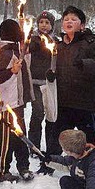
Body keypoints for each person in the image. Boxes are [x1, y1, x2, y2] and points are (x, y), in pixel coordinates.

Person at [45, 6, 95, 155]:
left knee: (89, 140)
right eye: (66, 19)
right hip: (63, 102)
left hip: (85, 103)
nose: (69, 22)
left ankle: (90, 166)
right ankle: (49, 164)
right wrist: (50, 75)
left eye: (73, 19)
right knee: (56, 136)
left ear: (82, 25)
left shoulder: (91, 43)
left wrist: (85, 64)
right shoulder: (58, 46)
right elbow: (54, 68)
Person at [0, 19, 34, 182]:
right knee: (6, 138)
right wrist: (12, 70)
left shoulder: (16, 49)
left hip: (17, 102)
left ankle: (23, 165)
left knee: (20, 135)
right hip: (6, 104)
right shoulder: (5, 52)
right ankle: (2, 170)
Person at [28, 10, 57, 152]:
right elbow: (29, 51)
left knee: (51, 115)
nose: (44, 25)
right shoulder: (33, 39)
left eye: (47, 23)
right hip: (35, 82)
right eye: (41, 22)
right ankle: (34, 145)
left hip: (50, 84)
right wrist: (35, 42)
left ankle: (51, 146)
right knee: (37, 112)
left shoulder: (55, 41)